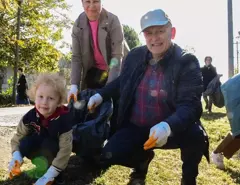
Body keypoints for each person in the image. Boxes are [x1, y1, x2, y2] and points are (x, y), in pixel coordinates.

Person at [87, 9, 209, 185]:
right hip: (138, 126)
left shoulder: (186, 61)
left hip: (171, 128)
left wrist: (167, 126)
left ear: (172, 32)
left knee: (196, 136)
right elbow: (123, 81)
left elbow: (191, 106)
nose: (154, 38)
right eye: (149, 33)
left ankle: (189, 179)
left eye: (160, 31)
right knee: (110, 153)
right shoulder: (136, 55)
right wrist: (100, 95)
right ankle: (142, 162)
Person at [8, 73, 73, 185]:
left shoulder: (64, 120)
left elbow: (65, 150)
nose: (44, 102)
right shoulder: (30, 116)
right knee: (25, 142)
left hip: (55, 151)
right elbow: (18, 136)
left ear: (58, 102)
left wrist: (52, 173)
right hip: (40, 148)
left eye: (51, 98)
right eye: (40, 97)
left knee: (49, 144)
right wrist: (16, 155)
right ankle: (39, 165)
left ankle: (55, 173)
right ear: (34, 96)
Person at [68, 0, 127, 98]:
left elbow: (117, 57)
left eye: (95, 1)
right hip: (95, 72)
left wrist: (106, 91)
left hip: (117, 71)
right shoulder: (78, 23)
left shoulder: (113, 20)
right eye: (88, 1)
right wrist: (74, 85)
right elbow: (76, 57)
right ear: (82, 3)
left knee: (114, 105)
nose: (91, 6)